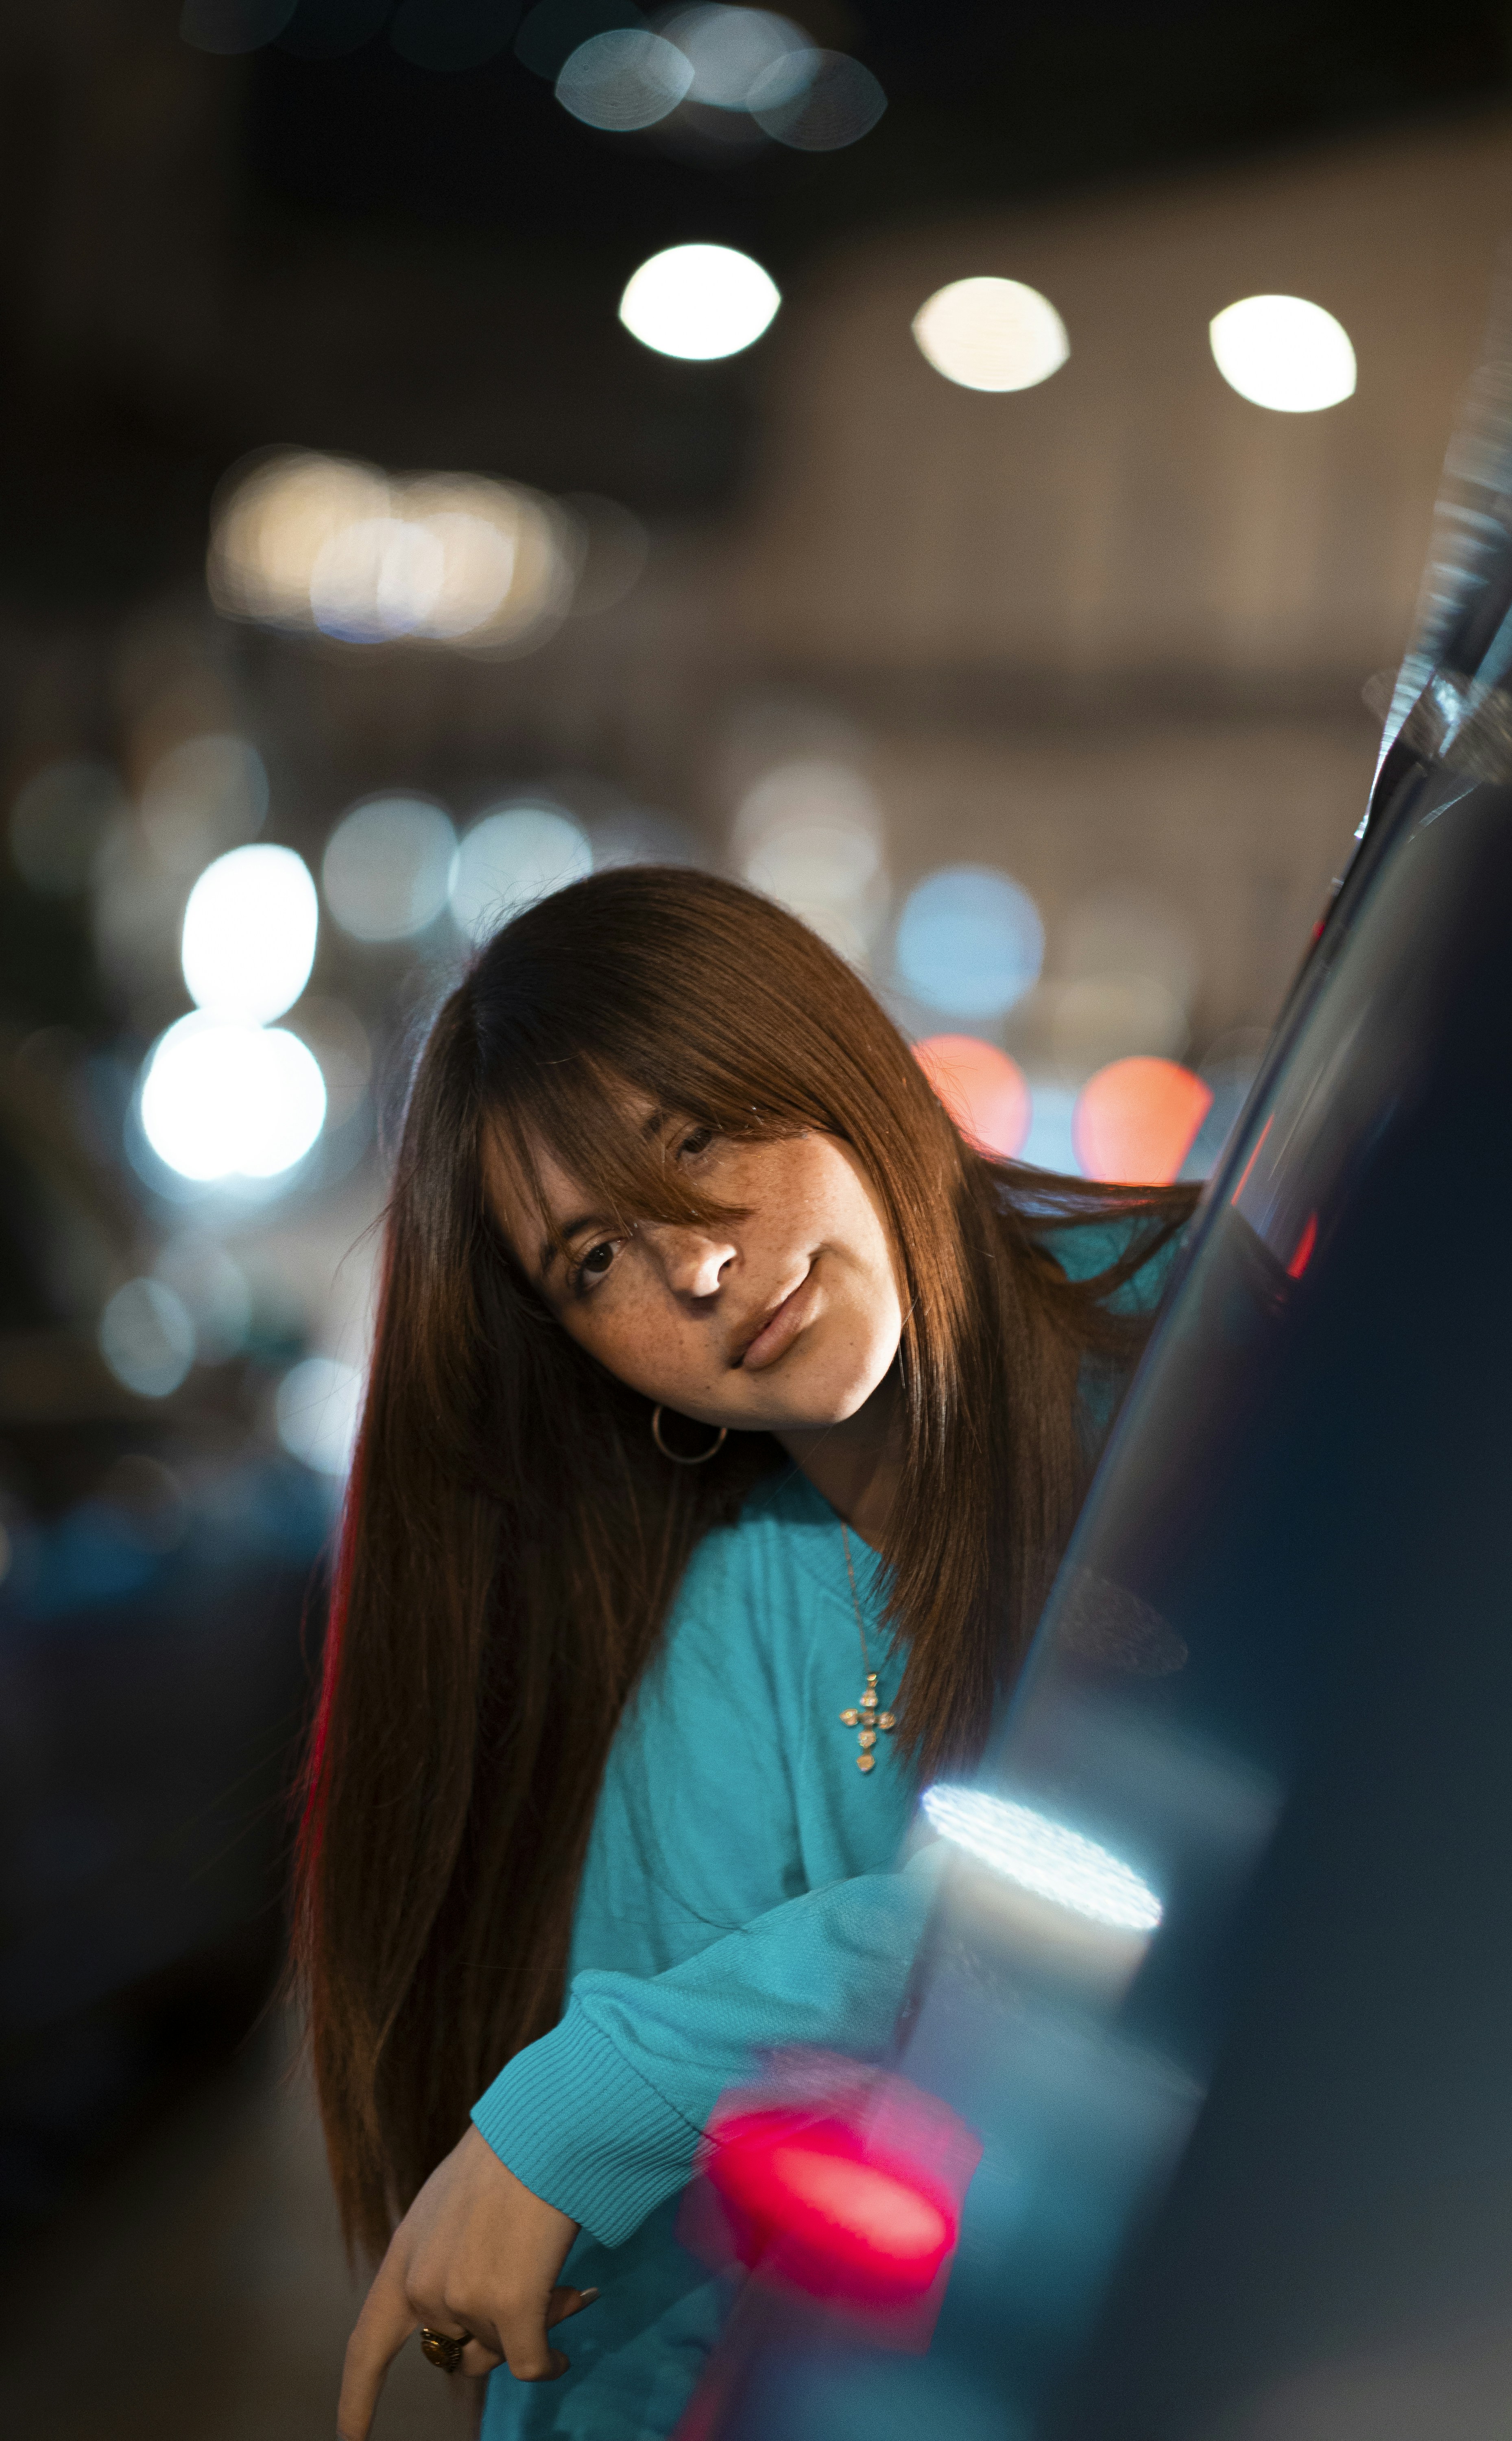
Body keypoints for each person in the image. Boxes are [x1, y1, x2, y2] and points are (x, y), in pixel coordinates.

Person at [301, 867, 1193, 2440]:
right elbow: (659, 2277)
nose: (696, 1270)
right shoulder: (741, 1615)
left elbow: (1205, 1830)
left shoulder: (1204, 1341)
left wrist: (613, 2086)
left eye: (697, 1142)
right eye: (592, 1264)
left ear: (819, 1052)